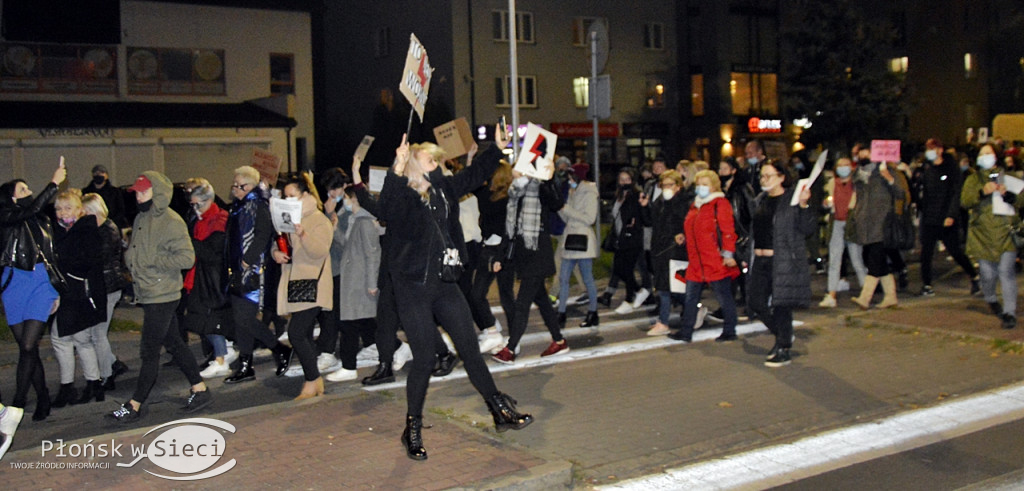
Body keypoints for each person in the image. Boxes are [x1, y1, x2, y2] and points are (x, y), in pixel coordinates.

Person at [380, 130, 531, 461]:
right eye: (431, 159)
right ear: (413, 167)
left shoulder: (443, 191)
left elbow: (474, 175)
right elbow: (385, 210)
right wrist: (397, 168)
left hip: (445, 285)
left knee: (471, 351)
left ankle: (498, 409)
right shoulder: (402, 198)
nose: (438, 164)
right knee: (424, 359)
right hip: (412, 290)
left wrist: (497, 147)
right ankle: (413, 427)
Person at [108, 172, 211, 423]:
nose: (139, 196)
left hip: (163, 294)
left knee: (149, 351)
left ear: (159, 193)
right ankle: (200, 389)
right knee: (175, 343)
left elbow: (187, 258)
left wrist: (152, 262)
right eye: (137, 192)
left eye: (144, 192)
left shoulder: (171, 221)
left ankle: (135, 404)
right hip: (150, 291)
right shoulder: (143, 217)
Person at [0, 161, 65, 422]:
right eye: (23, 189)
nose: (29, 192)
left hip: (40, 282)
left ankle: (16, 404)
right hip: (14, 282)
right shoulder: (5, 215)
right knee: (29, 349)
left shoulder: (41, 220)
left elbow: (51, 255)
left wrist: (56, 289)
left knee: (28, 344)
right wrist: (53, 183)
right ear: (11, 196)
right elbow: (24, 213)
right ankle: (43, 398)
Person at [491, 170, 569, 363]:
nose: (514, 170)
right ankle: (559, 341)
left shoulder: (539, 188)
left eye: (519, 166)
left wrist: (549, 178)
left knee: (522, 303)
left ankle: (510, 349)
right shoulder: (514, 194)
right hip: (523, 256)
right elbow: (510, 230)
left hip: (537, 255)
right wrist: (500, 257)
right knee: (542, 300)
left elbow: (557, 203)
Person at [224, 166, 292, 384]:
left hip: (252, 271)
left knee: (245, 318)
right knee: (239, 319)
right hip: (237, 269)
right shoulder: (240, 206)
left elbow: (264, 234)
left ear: (251, 186)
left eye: (240, 186)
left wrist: (248, 259)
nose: (235, 190)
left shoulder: (258, 205)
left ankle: (279, 349)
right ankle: (246, 364)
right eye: (234, 185)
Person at [272, 174, 334, 399]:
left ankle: (312, 380)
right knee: (303, 334)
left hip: (313, 284)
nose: (289, 200)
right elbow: (279, 243)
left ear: (305, 195)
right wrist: (276, 253)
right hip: (295, 282)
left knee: (296, 333)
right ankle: (314, 381)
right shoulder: (288, 217)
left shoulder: (318, 219)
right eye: (285, 196)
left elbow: (320, 251)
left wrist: (303, 234)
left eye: (293, 196)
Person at [749, 162, 815, 367]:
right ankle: (783, 334)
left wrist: (804, 206)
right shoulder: (761, 200)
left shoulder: (792, 199)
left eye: (768, 176)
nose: (764, 180)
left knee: (781, 305)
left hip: (782, 259)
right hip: (760, 260)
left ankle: (783, 347)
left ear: (781, 177)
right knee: (756, 303)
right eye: (762, 176)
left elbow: (807, 228)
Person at [669, 170, 740, 342]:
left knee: (723, 297)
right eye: (699, 184)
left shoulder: (719, 204)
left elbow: (728, 231)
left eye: (705, 184)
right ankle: (686, 332)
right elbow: (694, 228)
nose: (701, 187)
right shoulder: (696, 205)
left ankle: (730, 330)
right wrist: (684, 236)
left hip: (714, 260)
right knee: (690, 298)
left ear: (714, 186)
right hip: (696, 261)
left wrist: (728, 254)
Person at [51, 191, 107, 406]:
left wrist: (62, 263)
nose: (62, 212)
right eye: (59, 208)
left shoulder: (85, 229)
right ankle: (86, 385)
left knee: (73, 339)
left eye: (67, 208)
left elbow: (87, 263)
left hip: (80, 294)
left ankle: (80, 386)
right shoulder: (63, 230)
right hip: (69, 293)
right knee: (69, 339)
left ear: (79, 210)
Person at [961, 144, 1023, 329]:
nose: (985, 156)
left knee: (1006, 272)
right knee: (987, 274)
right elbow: (965, 201)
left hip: (1006, 231)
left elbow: (1021, 200)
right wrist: (982, 193)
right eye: (982, 153)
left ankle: (1009, 313)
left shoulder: (1009, 177)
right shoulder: (973, 179)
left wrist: (1010, 195)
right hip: (983, 234)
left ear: (997, 156)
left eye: (989, 153)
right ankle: (991, 298)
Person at [325, 186, 381, 383]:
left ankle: (349, 367)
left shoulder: (365, 222)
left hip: (359, 280)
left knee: (349, 323)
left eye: (347, 198)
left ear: (355, 199)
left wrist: (372, 283)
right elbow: (347, 245)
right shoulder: (352, 220)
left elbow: (372, 253)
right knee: (362, 321)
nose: (345, 201)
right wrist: (334, 229)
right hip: (352, 278)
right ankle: (399, 348)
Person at [81, 193, 132, 391]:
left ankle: (107, 375)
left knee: (98, 334)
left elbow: (97, 259)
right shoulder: (106, 227)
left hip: (107, 286)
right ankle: (111, 363)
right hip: (107, 285)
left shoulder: (104, 231)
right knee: (97, 332)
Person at [184, 184, 235, 379]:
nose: (195, 209)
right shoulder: (200, 219)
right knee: (205, 319)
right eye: (193, 205)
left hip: (212, 277)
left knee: (210, 320)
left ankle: (221, 357)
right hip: (201, 275)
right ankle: (224, 351)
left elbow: (214, 253)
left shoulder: (219, 219)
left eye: (198, 205)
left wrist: (193, 243)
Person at [919, 138, 980, 296]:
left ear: (940, 149)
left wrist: (951, 214)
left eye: (932, 148)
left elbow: (955, 193)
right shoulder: (927, 168)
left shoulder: (951, 168)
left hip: (945, 217)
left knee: (955, 251)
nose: (929, 152)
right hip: (929, 217)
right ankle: (926, 284)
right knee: (926, 252)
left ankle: (974, 276)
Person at [642, 170, 694, 336]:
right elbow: (651, 222)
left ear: (678, 186)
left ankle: (664, 321)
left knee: (670, 287)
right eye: (663, 185)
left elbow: (687, 223)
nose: (666, 188)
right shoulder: (659, 202)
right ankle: (691, 311)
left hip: (676, 250)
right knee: (668, 287)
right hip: (660, 248)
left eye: (670, 185)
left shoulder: (683, 203)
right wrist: (644, 208)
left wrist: (681, 234)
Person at [849, 156, 904, 310]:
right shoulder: (859, 176)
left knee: (874, 260)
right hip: (866, 226)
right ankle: (891, 296)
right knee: (879, 262)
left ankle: (865, 298)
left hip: (882, 224)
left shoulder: (886, 171)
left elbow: (900, 193)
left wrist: (889, 178)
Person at [555, 163, 600, 329]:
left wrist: (565, 208)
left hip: (583, 240)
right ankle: (561, 313)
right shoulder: (573, 191)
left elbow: (589, 219)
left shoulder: (589, 192)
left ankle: (593, 312)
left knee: (587, 278)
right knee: (563, 277)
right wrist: (560, 208)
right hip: (570, 237)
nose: (569, 180)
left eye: (571, 176)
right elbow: (568, 217)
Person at [819, 158, 868, 307]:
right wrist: (826, 203)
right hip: (837, 223)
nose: (842, 168)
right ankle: (831, 294)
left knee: (857, 260)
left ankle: (866, 293)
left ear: (851, 168)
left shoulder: (858, 184)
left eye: (846, 165)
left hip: (852, 225)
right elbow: (825, 203)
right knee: (834, 260)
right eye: (839, 165)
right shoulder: (832, 183)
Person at [605, 169, 649, 314]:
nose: (624, 182)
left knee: (627, 269)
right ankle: (639, 291)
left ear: (632, 180)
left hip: (632, 237)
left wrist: (636, 216)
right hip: (619, 237)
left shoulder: (636, 195)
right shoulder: (618, 196)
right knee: (618, 268)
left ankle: (629, 299)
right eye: (621, 179)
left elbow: (642, 217)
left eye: (627, 179)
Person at [82, 164, 127, 228]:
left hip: (113, 224)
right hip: (91, 226)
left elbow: (121, 211)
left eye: (102, 173)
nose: (98, 175)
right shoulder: (85, 192)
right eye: (96, 173)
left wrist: (111, 222)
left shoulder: (115, 192)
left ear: (106, 176)